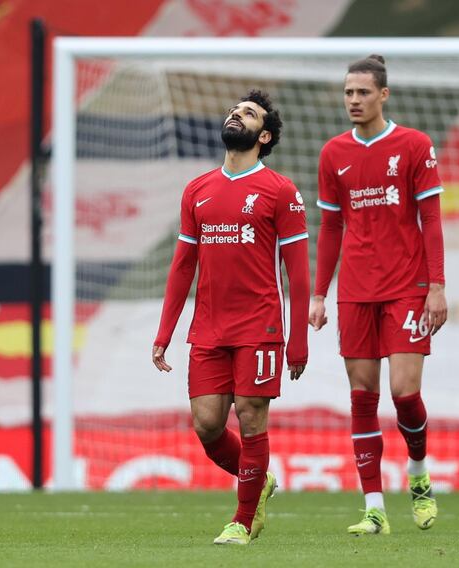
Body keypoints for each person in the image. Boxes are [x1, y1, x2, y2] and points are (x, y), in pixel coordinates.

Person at [152, 90, 310, 545]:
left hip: (258, 324)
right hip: (209, 326)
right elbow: (183, 266)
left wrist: (296, 341)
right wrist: (165, 333)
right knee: (207, 425)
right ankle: (259, 479)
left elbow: (297, 274)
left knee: (251, 415)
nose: (234, 116)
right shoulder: (197, 190)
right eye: (232, 111)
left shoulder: (280, 190)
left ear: (263, 135)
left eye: (247, 113)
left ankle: (242, 520)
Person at [309, 55, 447, 535]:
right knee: (362, 396)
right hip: (356, 291)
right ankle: (373, 509)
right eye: (348, 92)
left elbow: (430, 218)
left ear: (383, 95)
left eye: (362, 92)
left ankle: (418, 472)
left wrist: (437, 285)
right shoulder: (333, 154)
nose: (353, 100)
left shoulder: (413, 145)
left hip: (407, 287)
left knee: (405, 393)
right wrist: (318, 295)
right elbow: (329, 228)